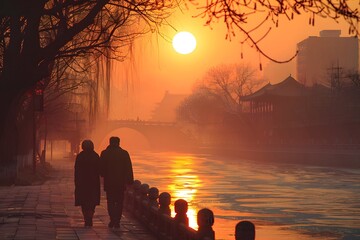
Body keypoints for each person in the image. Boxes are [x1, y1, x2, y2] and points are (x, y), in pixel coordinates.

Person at [100, 136, 134, 228]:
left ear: (110, 142)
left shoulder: (105, 153)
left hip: (109, 183)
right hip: (120, 183)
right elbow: (129, 168)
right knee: (119, 202)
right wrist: (130, 181)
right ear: (119, 143)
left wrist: (103, 175)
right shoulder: (124, 153)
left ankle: (112, 219)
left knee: (110, 201)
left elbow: (101, 169)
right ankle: (117, 221)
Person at [74, 140, 101, 227]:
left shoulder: (80, 156)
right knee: (92, 202)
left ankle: (86, 218)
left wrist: (77, 182)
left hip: (82, 183)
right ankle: (90, 217)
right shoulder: (96, 156)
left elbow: (77, 171)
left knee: (84, 202)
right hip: (93, 183)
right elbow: (100, 170)